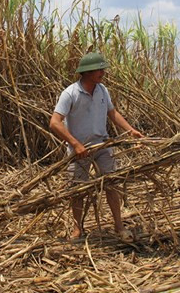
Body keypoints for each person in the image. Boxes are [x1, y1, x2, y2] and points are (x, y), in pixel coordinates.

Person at [49, 52, 144, 239]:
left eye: (103, 68)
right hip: (79, 150)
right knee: (77, 190)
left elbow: (112, 112)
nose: (103, 72)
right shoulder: (70, 94)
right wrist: (75, 144)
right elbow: (54, 122)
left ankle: (118, 226)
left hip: (102, 145)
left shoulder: (102, 90)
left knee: (111, 185)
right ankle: (78, 229)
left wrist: (130, 130)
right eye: (99, 69)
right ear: (86, 72)